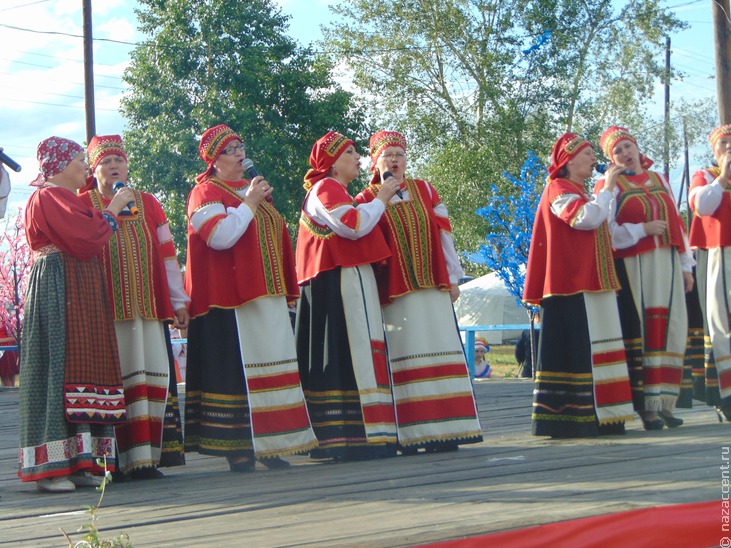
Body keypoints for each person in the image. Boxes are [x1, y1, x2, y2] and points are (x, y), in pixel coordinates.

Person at [185, 124, 317, 472]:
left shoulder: (251, 192)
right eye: (231, 149)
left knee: (274, 364)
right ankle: (239, 447)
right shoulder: (204, 192)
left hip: (266, 297)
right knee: (237, 372)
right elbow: (220, 237)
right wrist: (248, 204)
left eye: (241, 146)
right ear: (214, 160)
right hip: (231, 303)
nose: (240, 153)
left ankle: (272, 443)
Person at [355, 130, 482, 454]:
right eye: (387, 155)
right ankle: (412, 433)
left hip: (433, 286)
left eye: (399, 154)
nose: (395, 161)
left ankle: (449, 430)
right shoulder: (366, 199)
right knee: (406, 354)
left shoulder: (425, 190)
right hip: (396, 295)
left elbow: (444, 238)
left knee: (441, 347)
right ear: (375, 161)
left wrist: (453, 277)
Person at [19, 136, 133, 492]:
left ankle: (81, 460)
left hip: (77, 285)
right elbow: (86, 236)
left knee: (82, 367)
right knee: (60, 366)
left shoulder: (67, 198)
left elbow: (89, 236)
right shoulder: (47, 197)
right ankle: (52, 468)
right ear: (61, 165)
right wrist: (112, 210)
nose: (85, 167)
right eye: (79, 160)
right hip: (58, 284)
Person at [79, 134, 188, 479]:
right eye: (105, 163)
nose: (114, 167)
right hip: (107, 314)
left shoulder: (149, 203)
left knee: (152, 376)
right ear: (93, 170)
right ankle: (115, 461)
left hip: (148, 308)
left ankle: (148, 458)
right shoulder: (83, 203)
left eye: (119, 161)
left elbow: (168, 256)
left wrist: (178, 300)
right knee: (118, 382)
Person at [296, 131, 400, 462]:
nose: (359, 158)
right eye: (350, 152)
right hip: (337, 286)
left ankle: (368, 433)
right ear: (331, 162)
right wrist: (381, 198)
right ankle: (347, 436)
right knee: (346, 353)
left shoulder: (337, 191)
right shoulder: (325, 189)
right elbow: (352, 225)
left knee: (358, 351)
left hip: (348, 281)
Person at [524, 132, 634, 438]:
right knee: (581, 346)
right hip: (571, 286)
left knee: (601, 344)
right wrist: (608, 189)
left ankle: (607, 415)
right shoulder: (558, 188)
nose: (594, 160)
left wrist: (604, 194)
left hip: (593, 283)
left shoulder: (581, 190)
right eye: (588, 154)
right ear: (569, 160)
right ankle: (574, 416)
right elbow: (584, 219)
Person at [596, 126, 695, 430]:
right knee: (643, 331)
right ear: (610, 158)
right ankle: (646, 409)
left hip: (665, 261)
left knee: (670, 327)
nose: (625, 154)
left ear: (637, 147)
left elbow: (676, 223)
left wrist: (684, 265)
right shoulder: (608, 186)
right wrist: (643, 230)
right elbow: (607, 231)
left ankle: (665, 401)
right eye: (617, 151)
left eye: (628, 147)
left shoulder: (659, 178)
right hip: (634, 264)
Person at [687, 124, 731, 420]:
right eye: (724, 143)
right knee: (722, 322)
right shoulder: (705, 176)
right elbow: (702, 206)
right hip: (720, 254)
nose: (729, 147)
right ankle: (724, 394)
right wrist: (724, 176)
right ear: (714, 150)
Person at [0, 319, 19, 387]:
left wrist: (1, 340)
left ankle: (11, 393)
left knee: (7, 375)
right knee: (5, 375)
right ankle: (11, 393)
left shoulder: (6, 321)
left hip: (7, 350)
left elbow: (15, 337)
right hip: (4, 350)